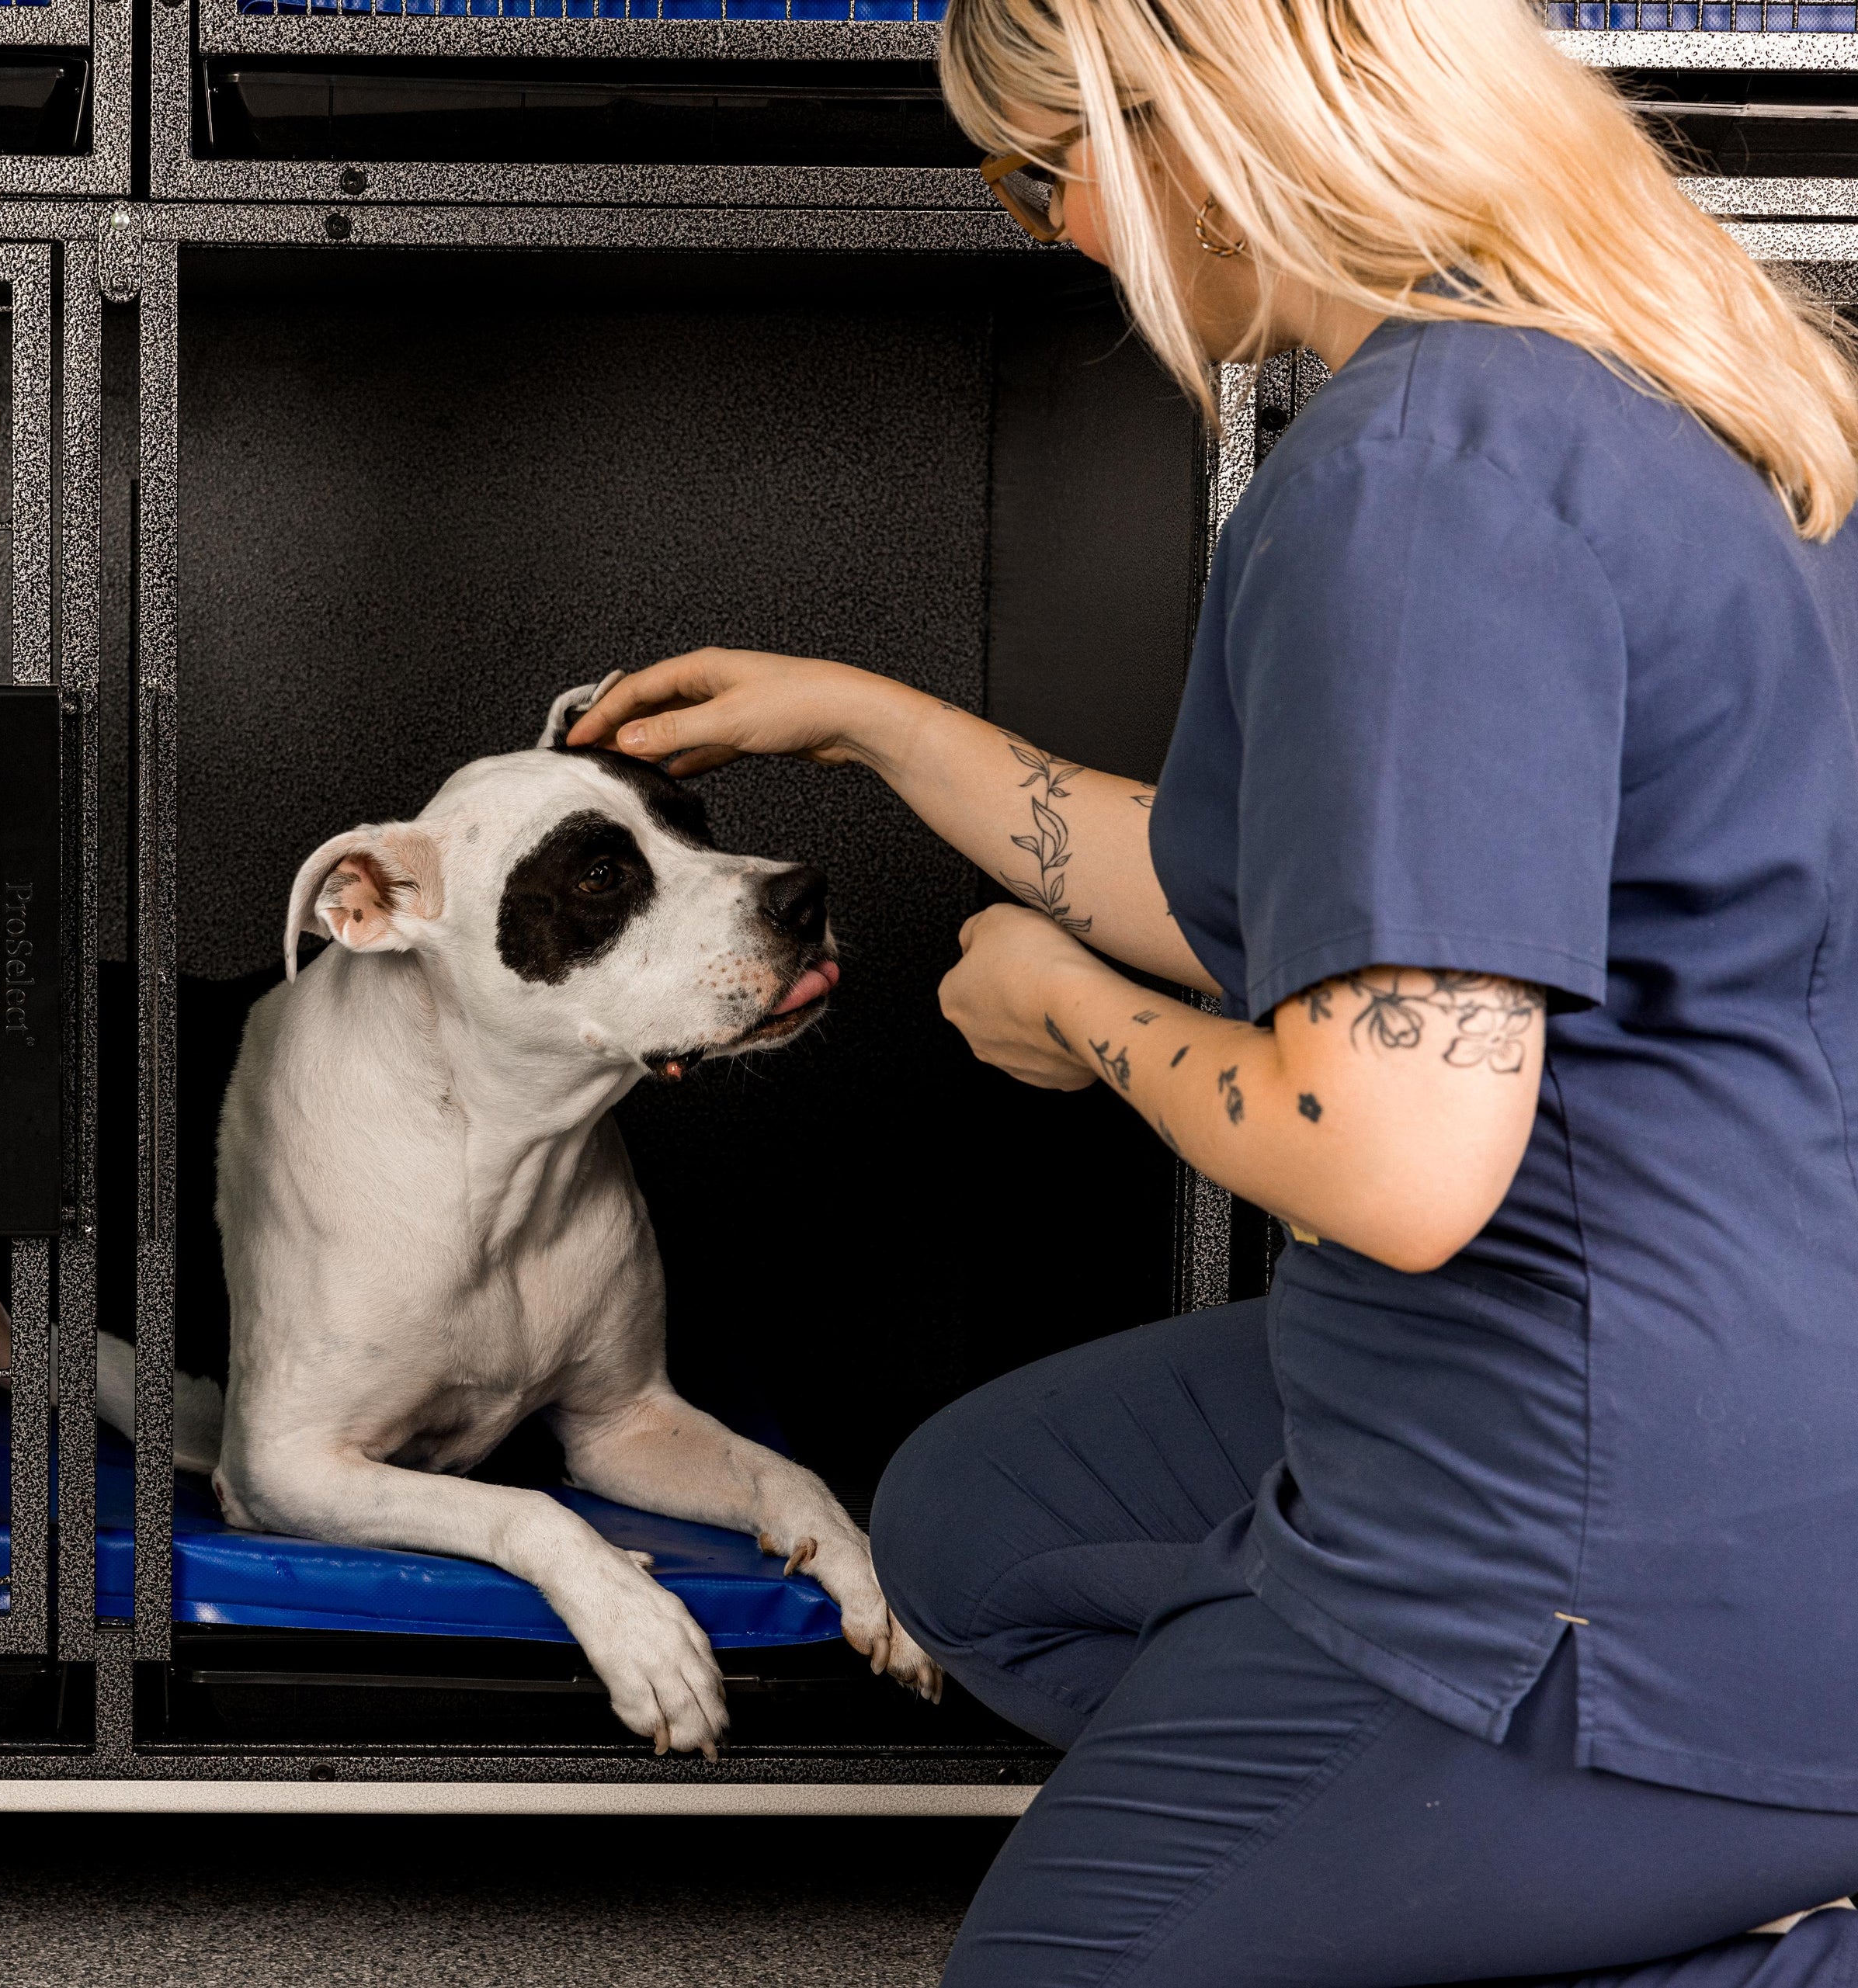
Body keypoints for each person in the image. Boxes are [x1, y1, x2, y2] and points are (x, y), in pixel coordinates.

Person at [567, 2, 1858, 1982]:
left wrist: (1074, 1014)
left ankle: (1701, 1888)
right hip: (1779, 1382)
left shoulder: (1411, 481)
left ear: (1188, 120)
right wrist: (879, 727)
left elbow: (1398, 1151)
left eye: (1036, 173)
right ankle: (1496, 1851)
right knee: (982, 1526)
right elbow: (1336, 885)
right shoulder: (1660, 386)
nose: (1054, 233)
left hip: (1610, 1519)